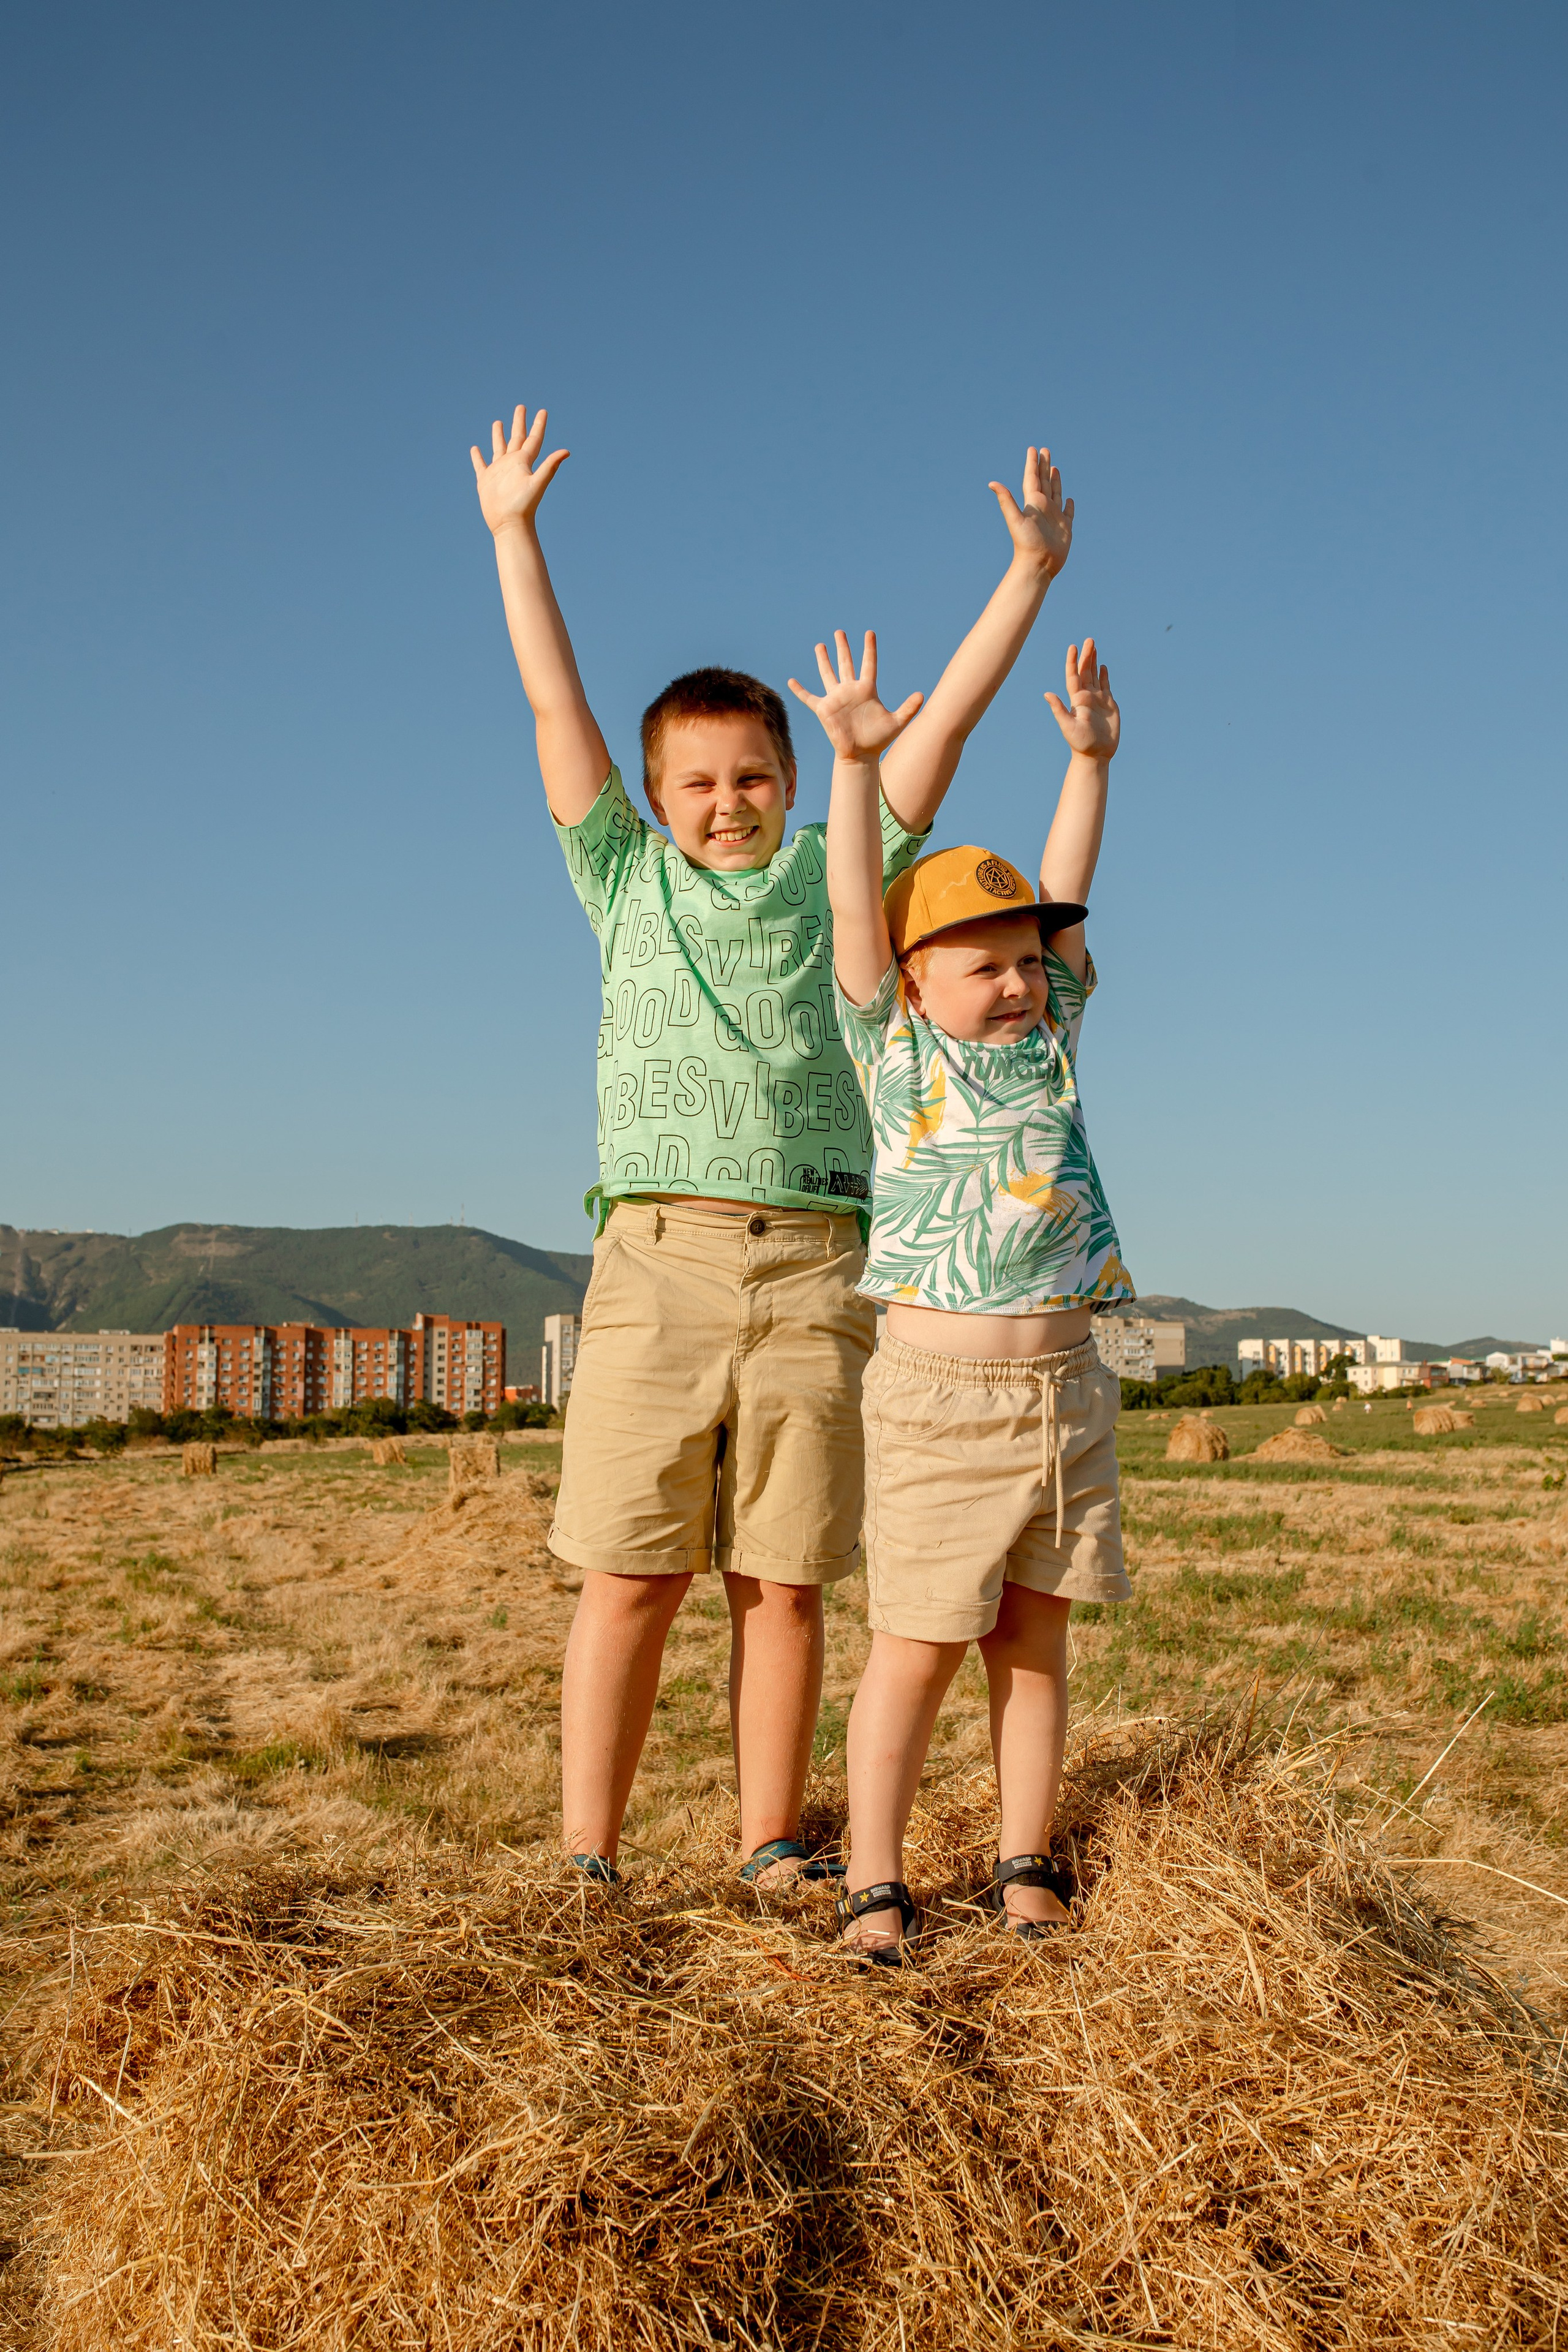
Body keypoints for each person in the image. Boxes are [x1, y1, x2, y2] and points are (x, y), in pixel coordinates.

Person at [471, 403, 1076, 1888]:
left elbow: (929, 733)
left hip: (819, 1263)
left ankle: (767, 1843)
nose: (727, 801)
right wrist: (513, 537)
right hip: (655, 1258)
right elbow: (559, 715)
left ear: (790, 784)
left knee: (783, 1584)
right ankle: (586, 1856)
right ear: (657, 797)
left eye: (752, 776)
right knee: (625, 1577)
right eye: (697, 782)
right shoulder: (621, 880)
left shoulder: (839, 874)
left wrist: (1027, 579)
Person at [789, 627, 1133, 1962]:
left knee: (1033, 1645)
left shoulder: (1049, 1053)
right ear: (912, 977)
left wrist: (1088, 762)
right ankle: (874, 1879)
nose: (1011, 978)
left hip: (1065, 1394)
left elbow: (1067, 883)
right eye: (979, 961)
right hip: (938, 1402)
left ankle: (1023, 1861)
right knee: (918, 1648)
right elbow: (841, 909)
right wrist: (851, 771)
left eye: (1025, 960)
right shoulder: (893, 1053)